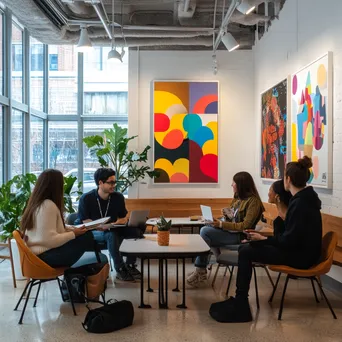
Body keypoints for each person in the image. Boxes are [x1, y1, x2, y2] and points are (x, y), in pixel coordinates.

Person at [209, 156, 323, 323]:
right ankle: (241, 300)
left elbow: (289, 241)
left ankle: (241, 303)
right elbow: (290, 237)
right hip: (300, 252)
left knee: (247, 251)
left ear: (288, 179)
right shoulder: (304, 200)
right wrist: (262, 239)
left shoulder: (301, 204)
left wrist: (262, 239)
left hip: (301, 257)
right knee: (247, 248)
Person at [187, 171, 265, 287]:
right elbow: (233, 218)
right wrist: (221, 219)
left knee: (205, 232)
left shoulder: (254, 202)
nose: (232, 185)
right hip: (231, 231)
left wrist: (221, 225)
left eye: (234, 182)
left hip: (241, 236)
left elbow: (245, 226)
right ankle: (202, 268)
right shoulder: (238, 199)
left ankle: (201, 269)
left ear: (241, 184)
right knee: (207, 228)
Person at [21, 169, 107, 268]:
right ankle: (94, 266)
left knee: (84, 235)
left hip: (39, 255)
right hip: (46, 257)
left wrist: (72, 228)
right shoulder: (48, 206)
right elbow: (50, 240)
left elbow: (49, 228)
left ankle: (94, 264)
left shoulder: (37, 204)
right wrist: (73, 234)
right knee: (86, 237)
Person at [77, 167, 143, 282]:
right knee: (111, 235)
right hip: (91, 231)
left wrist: (114, 224)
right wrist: (99, 227)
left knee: (136, 231)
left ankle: (130, 265)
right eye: (110, 182)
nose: (114, 185)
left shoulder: (117, 197)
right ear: (100, 183)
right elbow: (85, 221)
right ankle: (120, 268)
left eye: (114, 182)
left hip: (112, 228)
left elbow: (123, 218)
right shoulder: (87, 198)